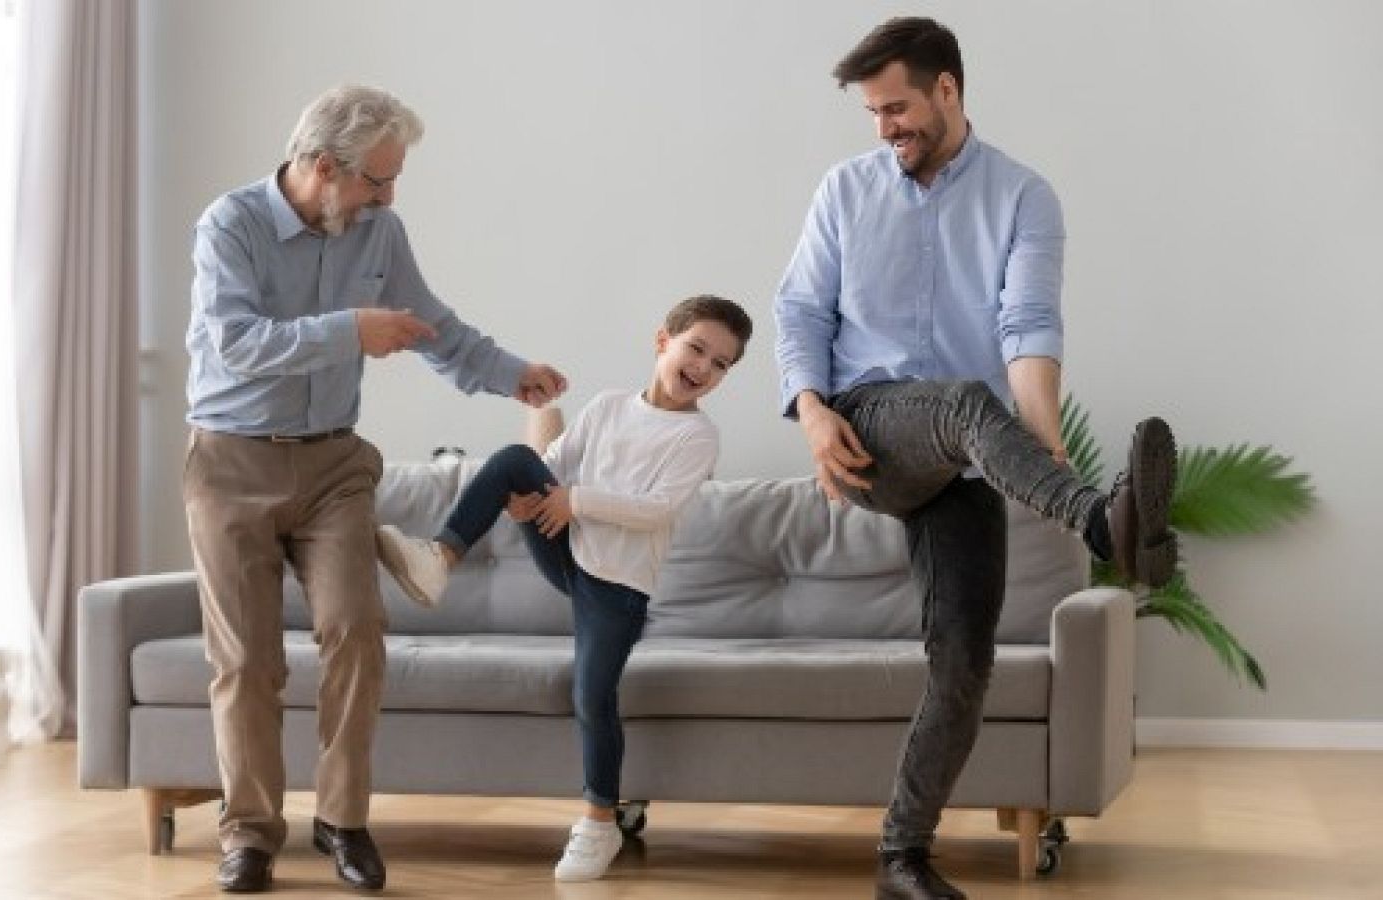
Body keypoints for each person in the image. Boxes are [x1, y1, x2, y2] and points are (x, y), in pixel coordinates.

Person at [773, 18, 1177, 900]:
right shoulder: (845, 191)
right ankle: (1102, 523)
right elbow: (800, 309)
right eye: (873, 114)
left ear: (948, 90)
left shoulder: (1024, 197)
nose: (884, 128)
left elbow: (1026, 324)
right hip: (868, 429)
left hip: (963, 458)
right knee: (960, 400)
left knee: (964, 661)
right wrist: (809, 412)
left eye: (897, 108)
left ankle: (902, 858)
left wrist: (1044, 443)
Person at [182, 84, 567, 894]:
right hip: (231, 464)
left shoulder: (378, 231)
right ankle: (249, 834)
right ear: (325, 167)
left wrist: (511, 374)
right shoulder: (231, 224)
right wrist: (351, 330)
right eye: (377, 180)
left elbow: (433, 326)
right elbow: (236, 343)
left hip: (334, 466)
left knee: (357, 629)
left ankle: (343, 819)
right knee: (246, 660)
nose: (388, 198)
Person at [376, 295, 753, 882]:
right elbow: (552, 464)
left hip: (618, 589)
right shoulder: (607, 407)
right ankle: (439, 557)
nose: (704, 367)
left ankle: (600, 823)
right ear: (663, 341)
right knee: (515, 459)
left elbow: (655, 509)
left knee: (591, 697)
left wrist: (574, 500)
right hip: (567, 552)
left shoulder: (697, 437)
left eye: (721, 363)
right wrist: (527, 500)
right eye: (696, 348)